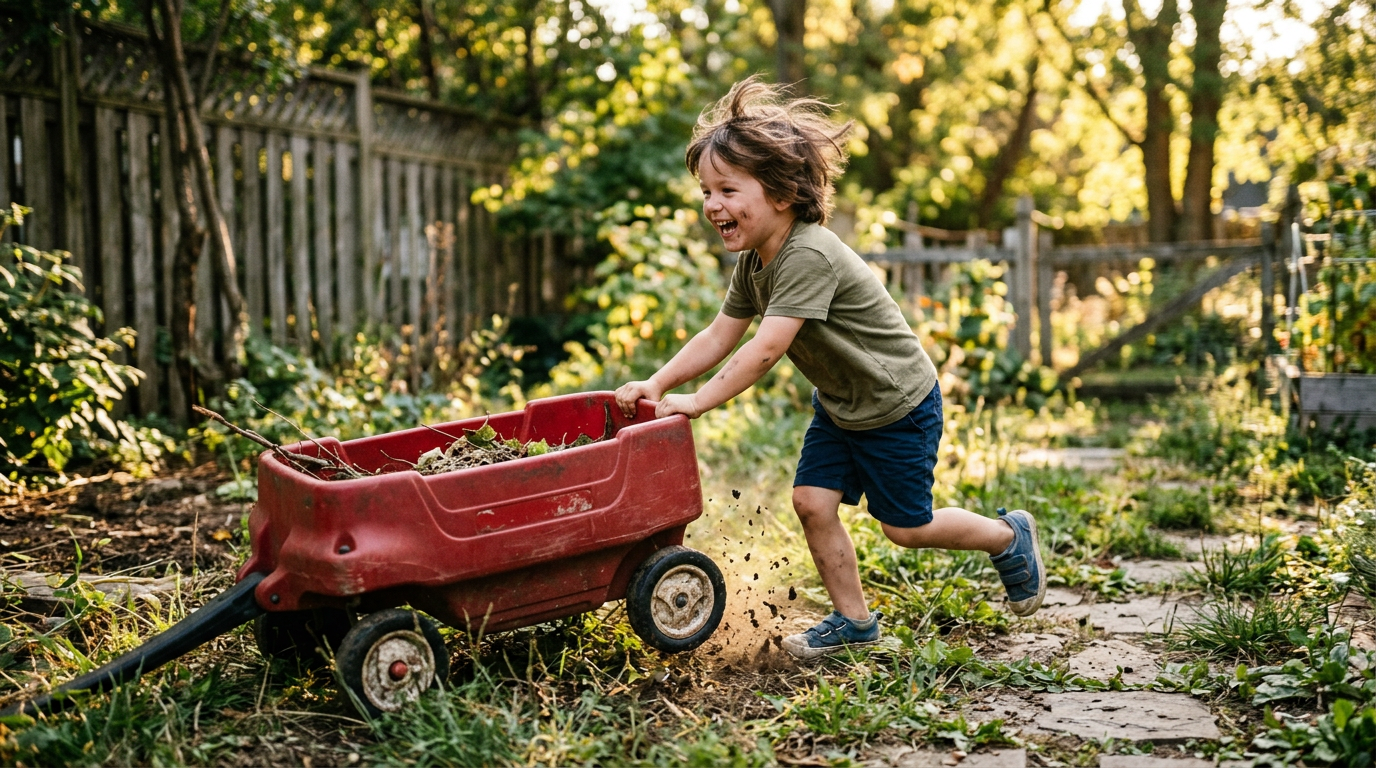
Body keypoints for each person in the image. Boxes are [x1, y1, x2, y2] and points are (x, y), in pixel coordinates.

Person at [614, 77, 1045, 659]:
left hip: (897, 406)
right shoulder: (755, 262)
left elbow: (764, 350)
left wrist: (696, 402)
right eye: (706, 190)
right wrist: (660, 382)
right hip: (843, 407)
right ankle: (855, 623)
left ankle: (1006, 536)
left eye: (727, 189)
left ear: (782, 194)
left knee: (906, 529)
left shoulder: (809, 253)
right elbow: (721, 333)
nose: (712, 204)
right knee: (813, 502)